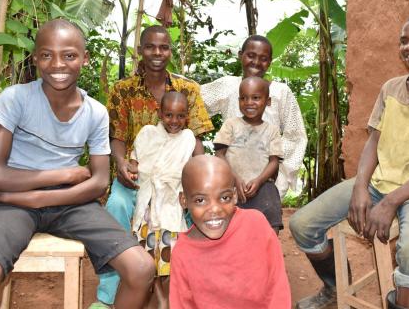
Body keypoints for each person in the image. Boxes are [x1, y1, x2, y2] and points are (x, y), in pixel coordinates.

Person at [289, 10, 409, 309]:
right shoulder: (391, 88)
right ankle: (334, 288)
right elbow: (373, 142)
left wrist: (390, 203)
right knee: (302, 223)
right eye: (404, 41)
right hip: (378, 182)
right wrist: (361, 187)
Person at [0, 19, 155, 308]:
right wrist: (64, 173)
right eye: (47, 54)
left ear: (84, 58)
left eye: (69, 55)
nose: (57, 64)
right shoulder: (15, 99)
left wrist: (37, 198)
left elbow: (97, 183)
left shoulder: (95, 112)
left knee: (142, 268)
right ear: (36, 59)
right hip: (12, 203)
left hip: (67, 202)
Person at [92, 25, 213, 308]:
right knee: (117, 208)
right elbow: (117, 137)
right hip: (134, 178)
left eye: (164, 47)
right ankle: (109, 293)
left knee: (196, 209)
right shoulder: (122, 91)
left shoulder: (188, 90)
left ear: (171, 50)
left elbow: (195, 140)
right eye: (150, 47)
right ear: (140, 50)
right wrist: (122, 164)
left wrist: (198, 180)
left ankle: (192, 288)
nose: (157, 53)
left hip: (176, 181)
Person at [170, 155, 291, 309]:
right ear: (184, 200)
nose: (214, 209)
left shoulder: (256, 225)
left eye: (224, 198)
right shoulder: (182, 253)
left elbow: (278, 287)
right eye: (200, 200)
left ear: (234, 196)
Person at [201, 35, 307, 198]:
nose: (256, 62)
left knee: (264, 221)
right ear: (240, 55)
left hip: (267, 181)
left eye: (263, 58)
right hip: (231, 179)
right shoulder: (228, 86)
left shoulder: (280, 92)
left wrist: (278, 176)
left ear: (270, 62)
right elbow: (194, 102)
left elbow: (295, 136)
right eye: (251, 55)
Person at [130, 91, 199, 309]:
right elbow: (136, 159)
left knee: (171, 257)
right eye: (169, 115)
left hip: (171, 205)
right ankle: (158, 297)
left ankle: (169, 298)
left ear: (186, 116)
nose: (174, 121)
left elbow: (194, 170)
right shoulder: (147, 133)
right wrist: (132, 167)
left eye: (180, 116)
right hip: (148, 207)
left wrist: (187, 191)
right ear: (160, 114)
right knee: (149, 257)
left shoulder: (188, 139)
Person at [214, 77, 284, 233]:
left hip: (261, 186)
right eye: (243, 98)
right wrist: (234, 178)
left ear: (268, 101)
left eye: (256, 98)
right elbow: (219, 154)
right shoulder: (231, 125)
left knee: (270, 215)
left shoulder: (271, 131)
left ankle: (268, 251)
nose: (249, 102)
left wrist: (258, 181)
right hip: (231, 185)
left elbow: (274, 161)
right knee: (230, 225)